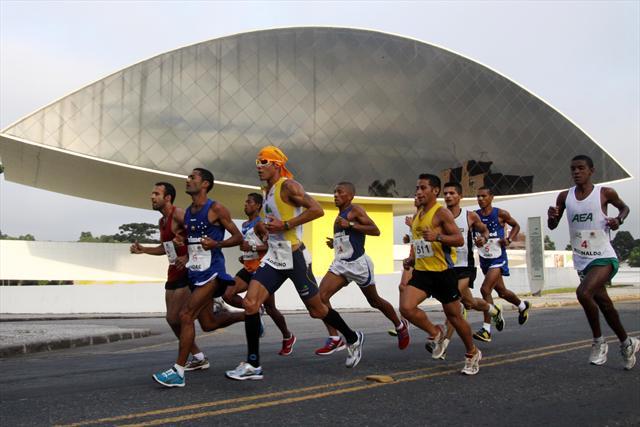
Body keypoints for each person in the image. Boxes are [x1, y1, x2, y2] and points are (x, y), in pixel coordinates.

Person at [225, 146, 364, 381]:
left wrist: (286, 225)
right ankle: (253, 365)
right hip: (274, 257)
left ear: (277, 165)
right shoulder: (266, 190)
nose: (258, 166)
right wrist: (269, 234)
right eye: (257, 162)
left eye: (264, 162)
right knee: (250, 303)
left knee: (317, 309)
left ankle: (352, 337)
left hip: (294, 257)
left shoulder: (289, 186)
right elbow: (274, 221)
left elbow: (317, 210)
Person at [152, 168, 244, 387]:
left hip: (213, 271)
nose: (188, 180)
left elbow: (238, 237)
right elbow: (188, 240)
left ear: (205, 184)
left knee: (185, 316)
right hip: (196, 272)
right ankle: (248, 316)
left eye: (192, 177)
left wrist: (217, 244)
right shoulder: (190, 212)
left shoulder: (216, 208)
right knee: (209, 324)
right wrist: (182, 247)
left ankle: (178, 371)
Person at [548, 154, 638, 369]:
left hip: (604, 256)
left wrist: (618, 220)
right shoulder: (564, 197)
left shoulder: (604, 193)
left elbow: (624, 208)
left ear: (591, 171)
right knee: (605, 305)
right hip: (582, 259)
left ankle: (599, 342)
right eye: (573, 169)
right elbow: (552, 226)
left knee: (583, 293)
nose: (576, 172)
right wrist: (551, 216)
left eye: (580, 168)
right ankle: (628, 343)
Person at [401, 174, 482, 375]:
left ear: (434, 191)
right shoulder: (419, 212)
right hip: (422, 272)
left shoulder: (441, 213)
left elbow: (458, 240)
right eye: (417, 188)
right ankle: (435, 332)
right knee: (406, 307)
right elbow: (419, 242)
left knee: (454, 317)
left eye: (423, 188)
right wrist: (412, 258)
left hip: (442, 273)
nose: (418, 192)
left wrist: (437, 236)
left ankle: (472, 353)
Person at [316, 182, 409, 355]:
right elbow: (348, 239)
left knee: (374, 301)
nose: (335, 195)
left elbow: (375, 230)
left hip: (358, 264)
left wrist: (350, 225)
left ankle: (399, 325)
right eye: (334, 192)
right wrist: (335, 243)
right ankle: (335, 338)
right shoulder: (339, 216)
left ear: (350, 196)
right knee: (320, 298)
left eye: (339, 192)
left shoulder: (355, 210)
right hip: (341, 263)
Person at [130, 182, 209, 371]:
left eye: (156, 193)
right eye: (152, 193)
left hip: (188, 270)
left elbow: (200, 236)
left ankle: (188, 363)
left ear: (168, 198)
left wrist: (187, 256)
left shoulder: (179, 214)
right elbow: (165, 248)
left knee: (179, 318)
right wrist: (144, 250)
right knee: (175, 319)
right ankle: (198, 357)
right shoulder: (162, 222)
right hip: (173, 271)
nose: (152, 197)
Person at [433, 182, 503, 358]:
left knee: (453, 300)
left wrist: (483, 238)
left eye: (452, 193)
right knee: (469, 303)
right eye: (446, 193)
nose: (448, 196)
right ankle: (491, 309)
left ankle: (443, 346)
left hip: (466, 266)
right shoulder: (438, 216)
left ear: (460, 196)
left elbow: (484, 230)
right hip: (448, 266)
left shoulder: (469, 216)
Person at [223, 192, 296, 356]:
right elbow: (251, 246)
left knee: (271, 308)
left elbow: (272, 246)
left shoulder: (260, 224)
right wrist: (246, 256)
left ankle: (287, 335)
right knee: (228, 294)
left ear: (257, 206)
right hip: (248, 269)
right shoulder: (245, 225)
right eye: (245, 202)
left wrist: (253, 249)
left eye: (249, 202)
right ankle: (256, 311)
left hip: (262, 271)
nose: (245, 204)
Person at [473, 187, 530, 343]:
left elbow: (516, 226)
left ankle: (486, 329)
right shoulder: (474, 216)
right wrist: (476, 241)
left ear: (491, 197)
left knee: (485, 289)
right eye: (478, 196)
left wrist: (509, 239)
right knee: (502, 292)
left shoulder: (500, 214)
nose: (480, 199)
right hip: (484, 258)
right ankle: (522, 306)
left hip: (498, 258)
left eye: (483, 196)